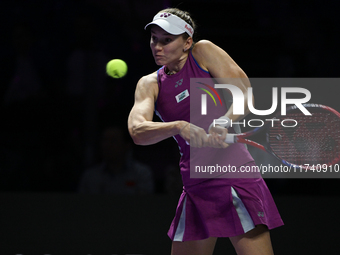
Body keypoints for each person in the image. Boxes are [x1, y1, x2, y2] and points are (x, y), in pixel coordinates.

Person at [128, 8, 283, 255]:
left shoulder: (202, 52)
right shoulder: (150, 84)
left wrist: (224, 121)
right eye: (154, 39)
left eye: (167, 40)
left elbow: (244, 93)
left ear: (187, 42)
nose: (157, 46)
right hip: (195, 186)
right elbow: (138, 131)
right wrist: (178, 126)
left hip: (234, 176)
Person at [78, 125, 154, 194]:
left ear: (126, 145)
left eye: (113, 141)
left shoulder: (141, 173)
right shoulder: (90, 176)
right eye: (105, 140)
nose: (107, 145)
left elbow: (144, 205)